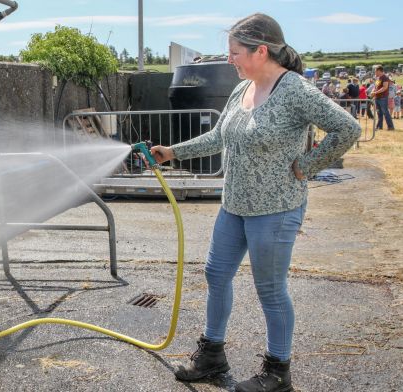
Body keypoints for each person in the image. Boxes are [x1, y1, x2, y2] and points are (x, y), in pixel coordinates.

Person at [150, 13, 361, 392]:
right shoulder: (241, 87)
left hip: (276, 210)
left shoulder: (295, 89)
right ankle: (212, 356)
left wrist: (308, 165)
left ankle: (278, 372)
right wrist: (173, 152)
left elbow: (348, 128)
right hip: (234, 205)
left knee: (270, 289)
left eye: (234, 52)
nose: (229, 58)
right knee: (216, 275)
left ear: (260, 51)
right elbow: (219, 138)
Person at [371, 66, 395, 130]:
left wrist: (375, 93)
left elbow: (385, 87)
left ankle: (390, 127)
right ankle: (379, 126)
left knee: (385, 112)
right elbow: (376, 87)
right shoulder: (378, 78)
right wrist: (373, 91)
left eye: (375, 71)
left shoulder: (385, 77)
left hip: (383, 98)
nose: (375, 72)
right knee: (379, 112)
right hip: (377, 97)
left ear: (379, 71)